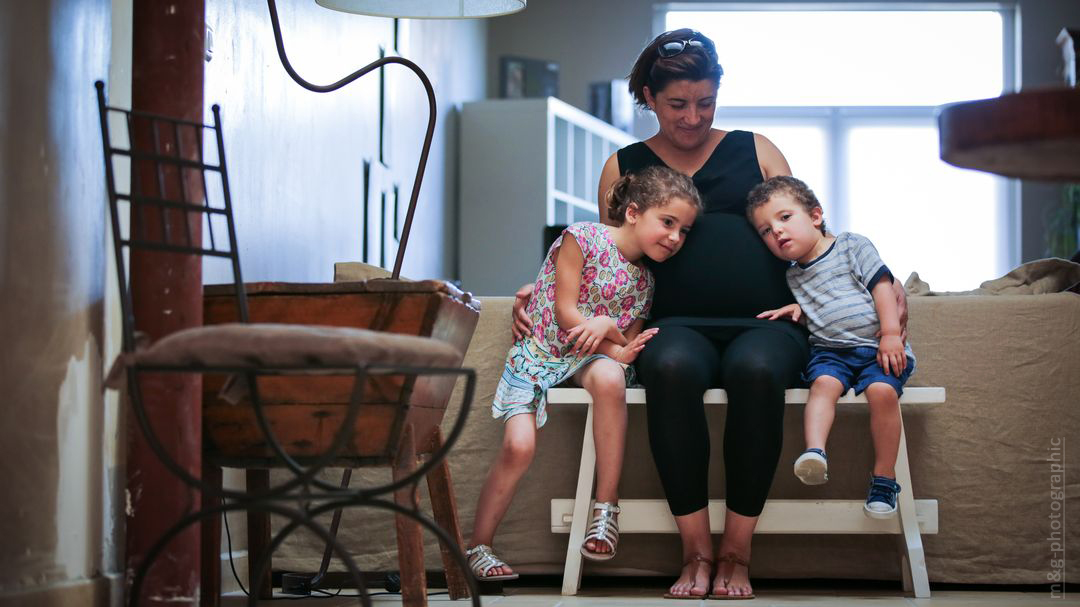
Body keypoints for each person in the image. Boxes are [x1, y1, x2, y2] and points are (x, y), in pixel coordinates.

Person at [509, 29, 908, 600]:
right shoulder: (623, 164)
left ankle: (737, 552)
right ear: (648, 97)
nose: (693, 117)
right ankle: (694, 550)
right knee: (669, 369)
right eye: (677, 104)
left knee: (757, 373)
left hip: (768, 325)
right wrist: (539, 290)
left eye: (705, 102)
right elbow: (604, 252)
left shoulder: (757, 148)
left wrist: (886, 291)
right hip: (673, 325)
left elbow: (815, 237)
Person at [467, 166, 702, 581]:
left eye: (683, 231)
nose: (675, 238)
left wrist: (610, 335)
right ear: (633, 213)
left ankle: (606, 508)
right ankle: (478, 545)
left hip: (588, 360)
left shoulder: (645, 281)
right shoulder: (583, 237)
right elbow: (565, 313)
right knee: (519, 447)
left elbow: (624, 353)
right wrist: (604, 326)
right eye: (668, 222)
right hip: (540, 351)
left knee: (611, 378)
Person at [748, 176, 916, 519]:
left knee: (883, 392)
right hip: (830, 351)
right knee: (822, 386)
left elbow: (883, 288)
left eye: (784, 218)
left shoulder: (852, 245)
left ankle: (884, 479)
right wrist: (798, 311)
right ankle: (815, 453)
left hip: (876, 347)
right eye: (765, 230)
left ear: (815, 215)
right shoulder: (792, 276)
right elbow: (821, 308)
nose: (776, 232)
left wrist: (890, 334)